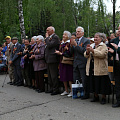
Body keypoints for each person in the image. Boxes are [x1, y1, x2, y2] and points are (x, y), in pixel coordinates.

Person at [84, 32, 111, 104]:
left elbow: (102, 54)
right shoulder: (92, 45)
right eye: (94, 37)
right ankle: (95, 96)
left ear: (101, 39)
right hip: (91, 66)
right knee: (93, 82)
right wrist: (87, 51)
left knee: (102, 83)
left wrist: (92, 51)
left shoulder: (103, 46)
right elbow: (86, 55)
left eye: (97, 37)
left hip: (100, 67)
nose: (95, 38)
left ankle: (103, 97)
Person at [70, 26, 90, 99]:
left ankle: (86, 93)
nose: (77, 33)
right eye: (76, 31)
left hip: (82, 62)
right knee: (76, 79)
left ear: (83, 33)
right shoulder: (76, 40)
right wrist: (71, 46)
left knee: (84, 79)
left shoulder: (86, 41)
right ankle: (78, 92)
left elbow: (84, 51)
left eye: (79, 32)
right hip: (75, 63)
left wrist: (76, 45)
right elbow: (71, 52)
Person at [55, 31, 73, 97]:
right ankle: (66, 90)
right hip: (62, 61)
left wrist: (61, 53)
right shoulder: (62, 43)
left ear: (68, 36)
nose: (63, 36)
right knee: (63, 76)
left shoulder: (69, 43)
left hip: (67, 62)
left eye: (65, 35)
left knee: (69, 76)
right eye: (63, 34)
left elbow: (70, 53)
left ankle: (71, 90)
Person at [45, 26, 60, 95]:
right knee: (50, 75)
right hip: (48, 59)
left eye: (48, 30)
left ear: (52, 31)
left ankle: (55, 89)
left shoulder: (55, 37)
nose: (47, 31)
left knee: (54, 75)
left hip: (53, 59)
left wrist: (47, 38)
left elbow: (50, 45)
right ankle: (51, 88)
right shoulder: (50, 38)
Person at [108, 28, 120, 107]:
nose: (119, 30)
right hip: (117, 64)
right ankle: (118, 101)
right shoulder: (115, 40)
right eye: (118, 29)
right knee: (118, 84)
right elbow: (110, 48)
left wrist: (117, 49)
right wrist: (112, 53)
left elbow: (117, 50)